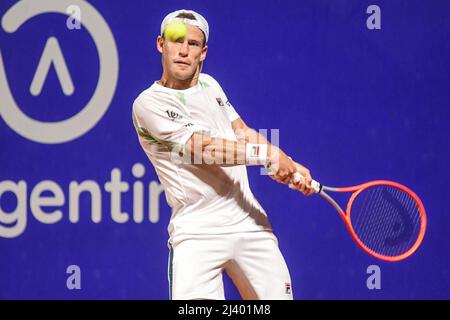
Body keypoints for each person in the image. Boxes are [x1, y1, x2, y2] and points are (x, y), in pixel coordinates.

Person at [132, 9, 315, 300]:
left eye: (192, 44)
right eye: (175, 41)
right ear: (160, 44)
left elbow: (241, 131)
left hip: (249, 224)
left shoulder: (210, 85)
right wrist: (267, 156)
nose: (182, 51)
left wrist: (286, 163)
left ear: (202, 52)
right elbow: (204, 149)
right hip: (196, 233)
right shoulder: (149, 103)